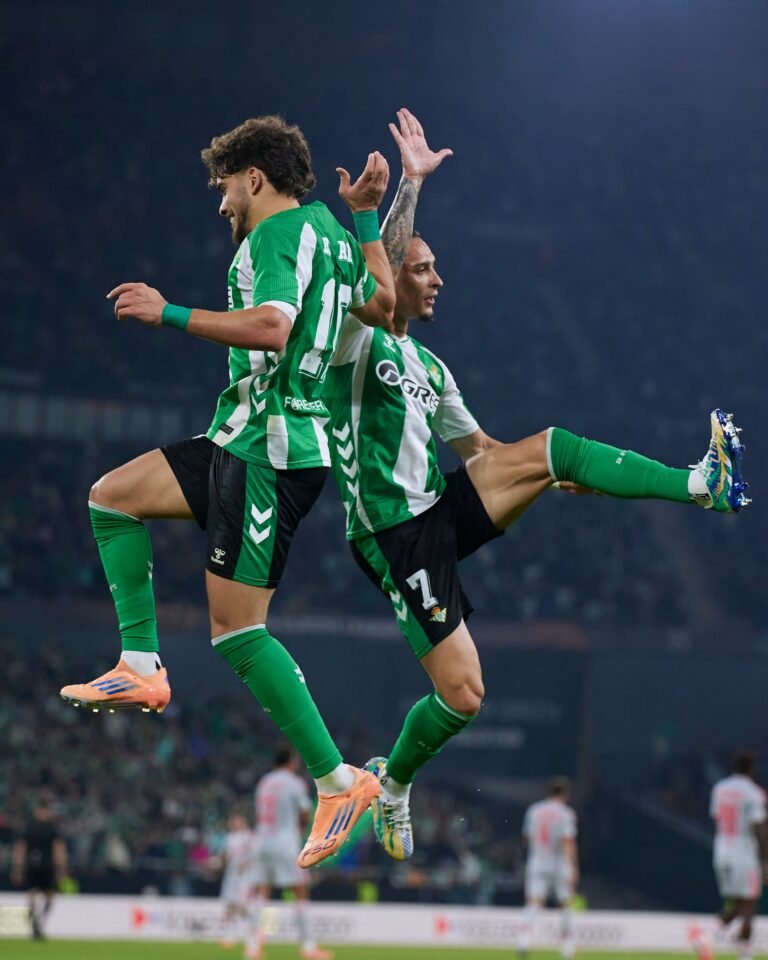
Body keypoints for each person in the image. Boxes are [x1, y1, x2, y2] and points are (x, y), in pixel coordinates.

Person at [323, 108, 750, 861]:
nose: (437, 277)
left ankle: (701, 482)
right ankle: (393, 783)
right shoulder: (356, 340)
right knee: (464, 697)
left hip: (439, 511)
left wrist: (552, 474)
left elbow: (484, 448)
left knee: (548, 445)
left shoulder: (432, 368)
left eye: (432, 266)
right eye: (425, 268)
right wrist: (408, 189)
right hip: (390, 533)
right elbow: (378, 268)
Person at [59, 115, 396, 867]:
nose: (220, 204)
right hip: (239, 435)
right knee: (111, 496)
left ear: (253, 178)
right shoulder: (333, 236)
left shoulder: (277, 237)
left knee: (237, 633)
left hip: (270, 448)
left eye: (223, 186)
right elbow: (384, 305)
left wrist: (168, 312)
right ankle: (139, 668)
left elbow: (275, 328)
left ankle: (339, 782)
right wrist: (368, 215)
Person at [245, 746, 332, 960]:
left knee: (262, 893)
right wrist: (300, 833)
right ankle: (308, 948)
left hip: (262, 841)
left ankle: (253, 947)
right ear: (291, 762)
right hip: (285, 842)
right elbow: (305, 811)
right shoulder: (294, 783)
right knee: (300, 891)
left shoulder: (264, 783)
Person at [693, 750, 768, 960]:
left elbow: (716, 819)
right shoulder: (754, 793)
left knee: (737, 904)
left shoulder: (720, 789)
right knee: (749, 904)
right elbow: (760, 829)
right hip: (744, 853)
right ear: (752, 769)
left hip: (722, 851)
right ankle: (744, 955)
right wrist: (765, 860)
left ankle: (706, 935)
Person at [518, 778, 579, 960]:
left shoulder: (534, 810)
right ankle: (567, 950)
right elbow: (567, 841)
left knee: (534, 903)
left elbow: (527, 838)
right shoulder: (566, 813)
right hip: (559, 863)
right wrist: (574, 867)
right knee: (565, 904)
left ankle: (523, 941)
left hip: (537, 862)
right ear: (565, 793)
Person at [10, 801, 68, 940]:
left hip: (46, 867)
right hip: (34, 866)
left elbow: (58, 849)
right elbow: (21, 848)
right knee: (33, 895)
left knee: (48, 898)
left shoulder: (50, 829)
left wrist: (61, 869)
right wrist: (17, 868)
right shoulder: (32, 829)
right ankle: (35, 922)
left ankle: (39, 920)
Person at [219, 813, 255, 948]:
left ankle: (250, 936)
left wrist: (245, 865)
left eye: (237, 820)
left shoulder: (249, 836)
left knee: (242, 906)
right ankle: (230, 935)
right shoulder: (230, 837)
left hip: (245, 877)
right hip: (231, 875)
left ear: (243, 821)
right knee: (229, 904)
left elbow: (254, 855)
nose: (234, 823)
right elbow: (227, 856)